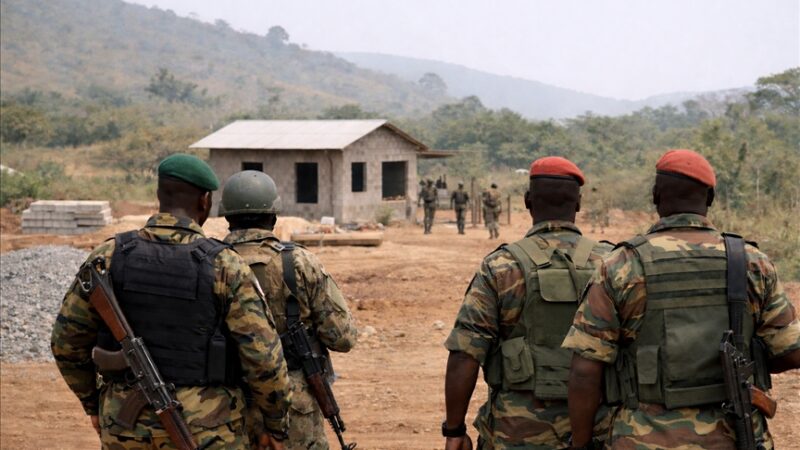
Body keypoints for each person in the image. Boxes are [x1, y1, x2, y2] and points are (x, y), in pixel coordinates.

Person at [562, 149, 800, 449]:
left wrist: (580, 443)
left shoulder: (621, 264)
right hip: (734, 436)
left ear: (655, 196)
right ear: (710, 198)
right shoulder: (751, 262)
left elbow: (585, 370)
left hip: (642, 438)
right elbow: (791, 352)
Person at [50, 154, 291, 449]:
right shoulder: (225, 265)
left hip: (126, 428)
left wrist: (93, 404)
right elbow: (263, 358)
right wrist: (276, 424)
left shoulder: (109, 256)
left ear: (158, 195)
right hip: (208, 430)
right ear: (205, 201)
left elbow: (66, 342)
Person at [443, 157, 613, 450]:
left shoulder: (501, 266)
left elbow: (465, 354)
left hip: (516, 431)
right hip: (599, 427)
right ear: (579, 203)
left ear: (527, 201)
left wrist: (455, 429)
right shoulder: (612, 263)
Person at [219, 170, 358, 450]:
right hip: (292, 404)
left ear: (226, 217)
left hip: (224, 402)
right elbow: (342, 337)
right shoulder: (300, 263)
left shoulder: (207, 262)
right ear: (273, 217)